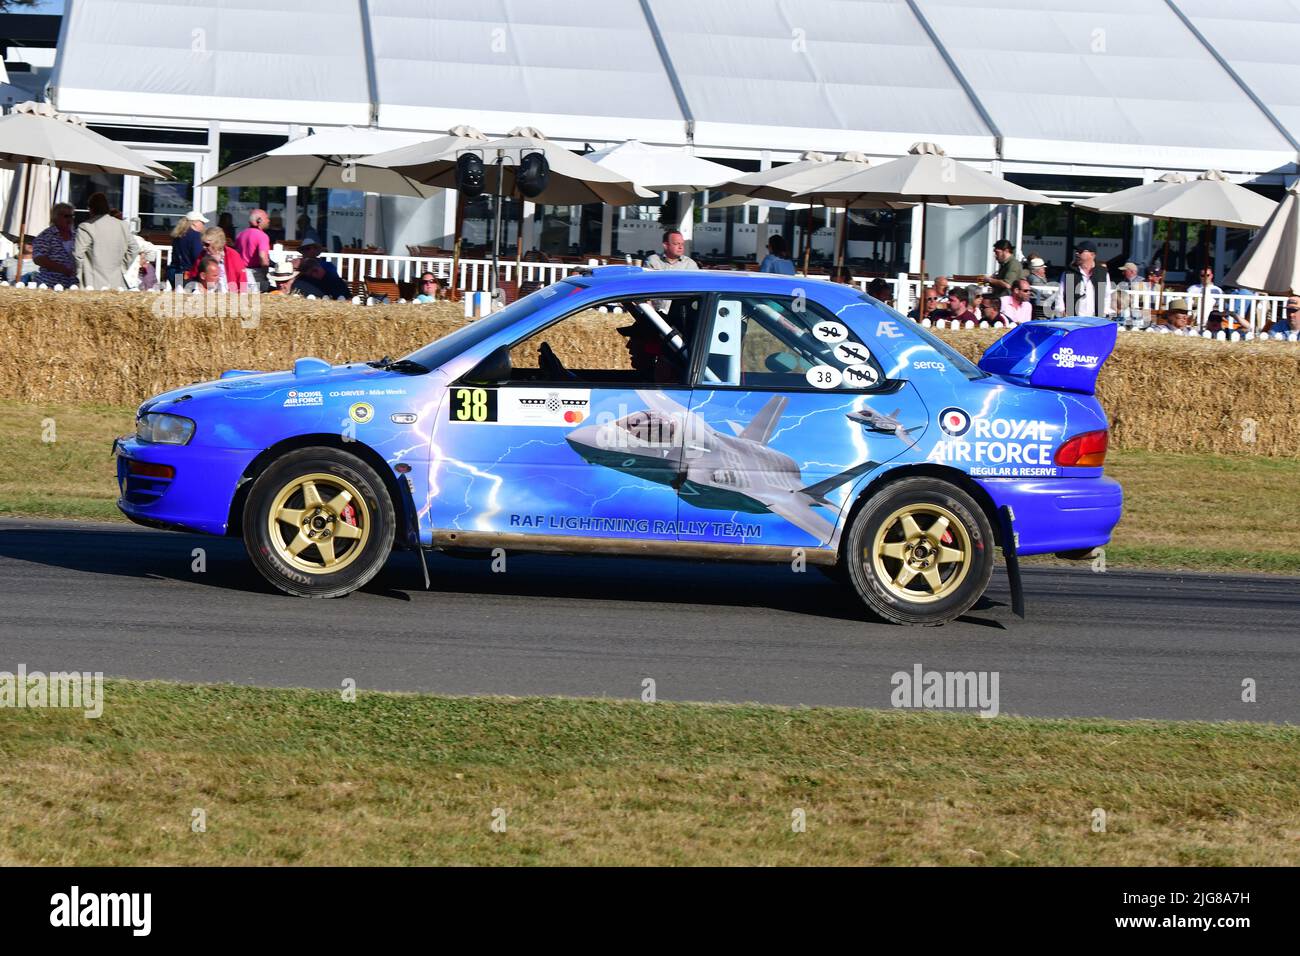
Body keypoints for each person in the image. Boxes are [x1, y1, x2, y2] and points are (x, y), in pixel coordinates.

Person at [74, 192, 138, 290]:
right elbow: (134, 248)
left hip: (91, 282)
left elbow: (78, 254)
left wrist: (79, 274)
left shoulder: (86, 227)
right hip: (117, 282)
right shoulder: (122, 225)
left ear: (91, 209)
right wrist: (122, 267)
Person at [1055, 240, 1113, 317]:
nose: (1077, 253)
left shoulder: (1102, 273)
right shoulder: (1069, 272)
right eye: (1076, 251)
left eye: (1080, 251)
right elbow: (1060, 293)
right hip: (1072, 317)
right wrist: (1061, 310)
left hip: (1095, 318)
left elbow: (1107, 295)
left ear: (1092, 254)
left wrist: (1105, 312)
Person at [186, 226, 249, 292]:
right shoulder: (203, 255)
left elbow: (242, 278)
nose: (204, 247)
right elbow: (194, 275)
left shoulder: (233, 255)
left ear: (217, 243)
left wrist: (242, 294)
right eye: (202, 244)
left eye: (207, 244)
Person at [234, 208, 272, 291]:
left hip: (242, 274)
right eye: (266, 218)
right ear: (259, 220)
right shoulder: (262, 236)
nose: (268, 220)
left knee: (245, 299)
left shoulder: (240, 235)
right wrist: (265, 274)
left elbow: (235, 254)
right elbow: (263, 257)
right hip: (256, 274)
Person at [169, 211, 208, 288]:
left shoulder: (178, 235)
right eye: (202, 222)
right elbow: (198, 256)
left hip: (176, 272)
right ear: (194, 223)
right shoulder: (195, 236)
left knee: (178, 296)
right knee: (188, 298)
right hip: (188, 275)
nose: (204, 225)